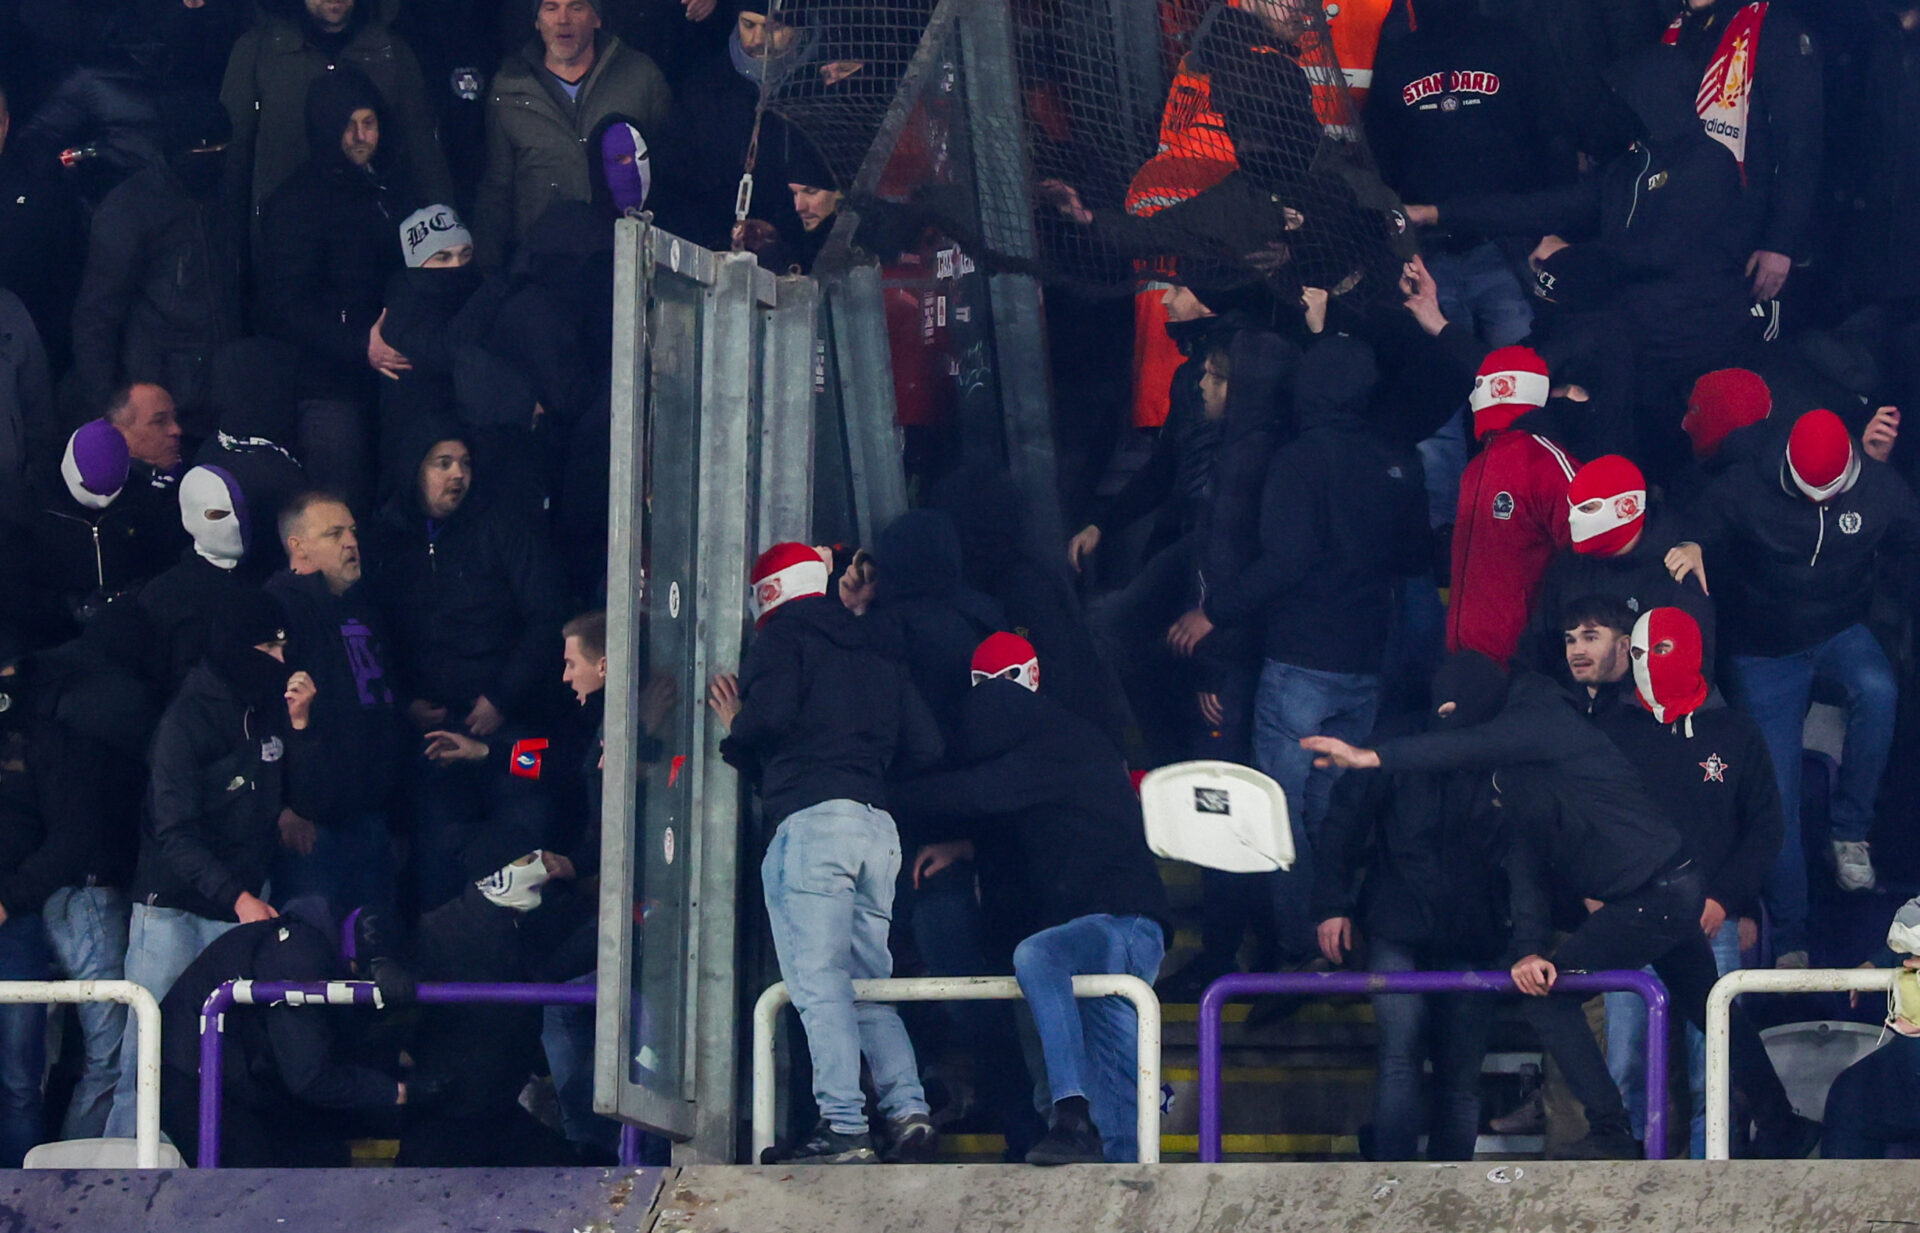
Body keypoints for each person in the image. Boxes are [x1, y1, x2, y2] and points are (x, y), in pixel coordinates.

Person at [1302, 651, 1819, 1159]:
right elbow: (1523, 863)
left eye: (1453, 719)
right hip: (1657, 890)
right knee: (1707, 1007)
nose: (1449, 732)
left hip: (1655, 893)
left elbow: (1469, 746)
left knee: (1548, 996)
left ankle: (1611, 1129)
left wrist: (1375, 757)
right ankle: (1780, 1122)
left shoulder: (1542, 720)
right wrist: (1529, 948)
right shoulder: (1513, 772)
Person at [1168, 334, 1428, 972]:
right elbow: (1416, 555)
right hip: (1368, 659)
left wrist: (1213, 612)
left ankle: (1300, 944)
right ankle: (1339, 933)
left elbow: (1285, 561)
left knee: (1277, 809)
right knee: (1334, 808)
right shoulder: (1400, 460)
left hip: (1300, 661)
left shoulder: (1298, 460)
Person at [895, 634, 1170, 1164]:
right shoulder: (1067, 741)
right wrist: (969, 845)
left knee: (1038, 956)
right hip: (1109, 925)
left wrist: (864, 790)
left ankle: (1071, 1116)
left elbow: (975, 791)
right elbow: (1039, 813)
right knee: (1118, 1105)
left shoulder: (1048, 748)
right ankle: (1115, 1152)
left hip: (1119, 922)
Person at [708, 542, 942, 1165]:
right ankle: (909, 1112)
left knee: (819, 985)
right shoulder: (878, 646)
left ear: (768, 594)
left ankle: (843, 1126)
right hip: (877, 829)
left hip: (813, 827)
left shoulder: (782, 637)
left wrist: (737, 722)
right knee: (868, 985)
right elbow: (926, 744)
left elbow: (770, 718)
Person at [1669, 408, 1920, 962]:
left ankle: (1849, 832)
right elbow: (1694, 524)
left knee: (1880, 689)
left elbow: (1910, 546)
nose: (1818, 503)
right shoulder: (1746, 483)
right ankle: (1792, 939)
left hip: (1840, 629)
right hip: (1764, 651)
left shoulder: (1879, 489)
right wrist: (1690, 545)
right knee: (1777, 801)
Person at [105, 590, 318, 1139]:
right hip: (173, 916)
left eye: (283, 646)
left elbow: (297, 788)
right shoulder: (186, 721)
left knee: (214, 1067)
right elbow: (175, 833)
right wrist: (240, 898)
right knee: (145, 1070)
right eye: (269, 647)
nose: (280, 659)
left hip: (235, 912)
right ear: (236, 651)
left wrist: (300, 727)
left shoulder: (268, 707)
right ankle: (107, 1203)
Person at [1598, 606, 1782, 1157]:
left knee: (1716, 1066)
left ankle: (1710, 1186)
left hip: (1709, 924)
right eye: (1636, 655)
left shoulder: (1736, 732)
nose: (1647, 666)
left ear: (1690, 652)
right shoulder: (1610, 731)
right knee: (1626, 1060)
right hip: (1630, 921)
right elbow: (1587, 821)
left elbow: (1766, 827)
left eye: (1661, 652)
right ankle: (1627, 1182)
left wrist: (1725, 899)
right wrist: (1594, 894)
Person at [364, 418, 567, 910]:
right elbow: (375, 634)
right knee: (439, 864)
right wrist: (405, 701)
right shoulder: (385, 538)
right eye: (443, 463)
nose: (458, 474)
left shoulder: (504, 525)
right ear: (415, 469)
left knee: (523, 861)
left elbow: (547, 617)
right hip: (432, 733)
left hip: (514, 726)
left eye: (465, 463)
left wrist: (501, 697)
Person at [1312, 693, 1510, 1162]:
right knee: (1406, 1060)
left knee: (1453, 1076)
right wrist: (1331, 905)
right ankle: (1396, 1184)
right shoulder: (1401, 745)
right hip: (1404, 928)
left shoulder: (1501, 756)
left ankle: (1437, 1192)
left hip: (1468, 934)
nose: (1449, 717)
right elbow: (1343, 822)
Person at [158, 900, 425, 1167]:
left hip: (242, 1072)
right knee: (250, 1184)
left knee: (323, 1155)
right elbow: (308, 1076)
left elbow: (324, 1041)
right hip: (194, 1077)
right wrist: (396, 1092)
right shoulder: (302, 958)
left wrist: (390, 1058)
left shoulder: (322, 945)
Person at [256, 69, 416, 510]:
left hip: (396, 374)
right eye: (347, 125)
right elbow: (285, 307)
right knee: (340, 505)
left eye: (369, 122)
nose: (360, 136)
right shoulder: (296, 204)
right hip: (328, 386)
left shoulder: (391, 187)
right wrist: (357, 344)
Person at [0, 649, 127, 1157]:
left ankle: (21, 1207)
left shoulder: (41, 740)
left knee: (17, 1082)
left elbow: (69, 837)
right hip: (26, 917)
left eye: (8, 669)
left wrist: (8, 901)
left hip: (16, 925)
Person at [267, 492, 408, 916]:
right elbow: (260, 715)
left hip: (372, 816)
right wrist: (281, 807)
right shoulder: (277, 610)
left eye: (352, 531)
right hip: (312, 824)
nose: (351, 542)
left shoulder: (365, 609)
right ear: (299, 546)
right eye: (334, 533)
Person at [69, 88, 242, 419]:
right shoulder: (131, 210)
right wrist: (110, 410)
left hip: (223, 395)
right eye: (202, 150)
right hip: (158, 404)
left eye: (222, 149)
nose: (213, 158)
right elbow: (96, 317)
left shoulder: (227, 195)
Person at [220, 0, 450, 238]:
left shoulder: (392, 53)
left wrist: (444, 234)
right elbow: (234, 160)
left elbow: (424, 154)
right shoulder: (259, 52)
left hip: (379, 240)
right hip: (283, 236)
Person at [473, 0, 671, 265]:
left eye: (576, 7)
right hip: (542, 263)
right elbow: (498, 187)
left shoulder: (641, 77)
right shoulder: (509, 88)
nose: (562, 19)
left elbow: (672, 173)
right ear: (537, 21)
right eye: (551, 8)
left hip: (626, 258)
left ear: (596, 18)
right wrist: (487, 269)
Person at [1656, 0, 1822, 306]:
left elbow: (1800, 146)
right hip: (1676, 228)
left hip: (1742, 238)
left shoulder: (1775, 29)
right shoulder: (1675, 24)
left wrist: (1781, 242)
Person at [1525, 455, 1715, 681]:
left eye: (1588, 508)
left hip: (1643, 710)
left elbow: (1689, 674)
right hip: (1570, 708)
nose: (1573, 518)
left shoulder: (1677, 573)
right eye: (1572, 507)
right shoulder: (1568, 567)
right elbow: (1538, 651)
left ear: (1627, 506)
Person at [1446, 346, 1580, 667]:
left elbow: (1589, 556)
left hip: (1522, 662)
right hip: (1465, 657)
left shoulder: (1548, 462)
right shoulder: (1476, 467)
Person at [135, 464, 259, 699]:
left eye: (240, 511)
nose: (234, 523)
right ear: (190, 519)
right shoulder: (163, 596)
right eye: (218, 514)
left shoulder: (265, 584)